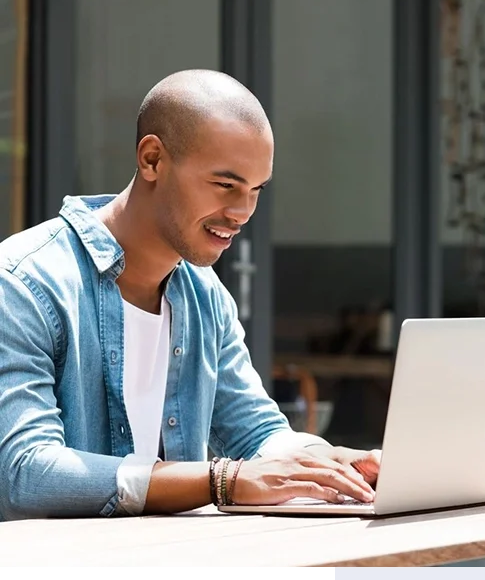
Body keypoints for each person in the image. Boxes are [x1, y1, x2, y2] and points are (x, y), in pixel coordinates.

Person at [0, 69, 380, 522]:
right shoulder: (24, 282)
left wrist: (329, 465)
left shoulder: (204, 295)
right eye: (225, 185)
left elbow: (254, 429)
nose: (242, 213)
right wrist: (222, 480)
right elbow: (25, 472)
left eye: (256, 190)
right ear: (153, 159)